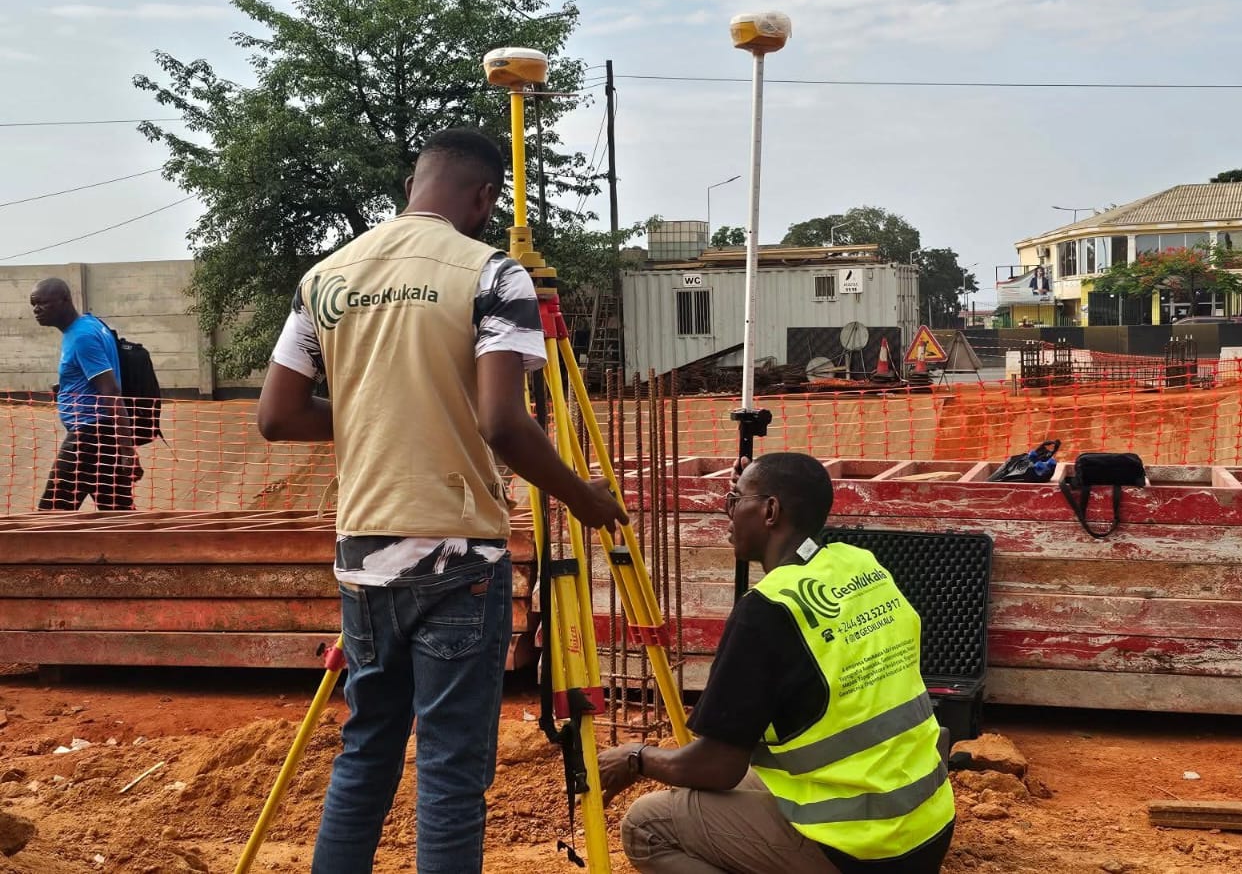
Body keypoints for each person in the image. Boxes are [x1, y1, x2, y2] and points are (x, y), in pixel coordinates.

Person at [256, 127, 628, 874]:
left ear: (412, 187)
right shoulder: (492, 275)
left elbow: (278, 416)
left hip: (363, 556)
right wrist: (583, 500)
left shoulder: (325, 278)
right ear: (486, 197)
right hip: (458, 555)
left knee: (365, 752)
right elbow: (502, 423)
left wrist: (375, 406)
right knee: (452, 771)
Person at [598, 451, 956, 874]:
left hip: (861, 849)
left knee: (647, 826)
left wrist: (636, 758)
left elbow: (719, 766)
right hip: (925, 828)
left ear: (769, 511)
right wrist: (749, 488)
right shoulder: (861, 565)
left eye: (734, 501)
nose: (727, 514)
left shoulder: (766, 612)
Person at [30, 277, 139, 511]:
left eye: (42, 303)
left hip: (88, 437)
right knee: (118, 514)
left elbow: (110, 390)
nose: (36, 310)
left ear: (64, 300)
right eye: (33, 304)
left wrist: (128, 450)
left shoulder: (81, 337)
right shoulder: (89, 324)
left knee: (51, 516)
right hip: (103, 435)